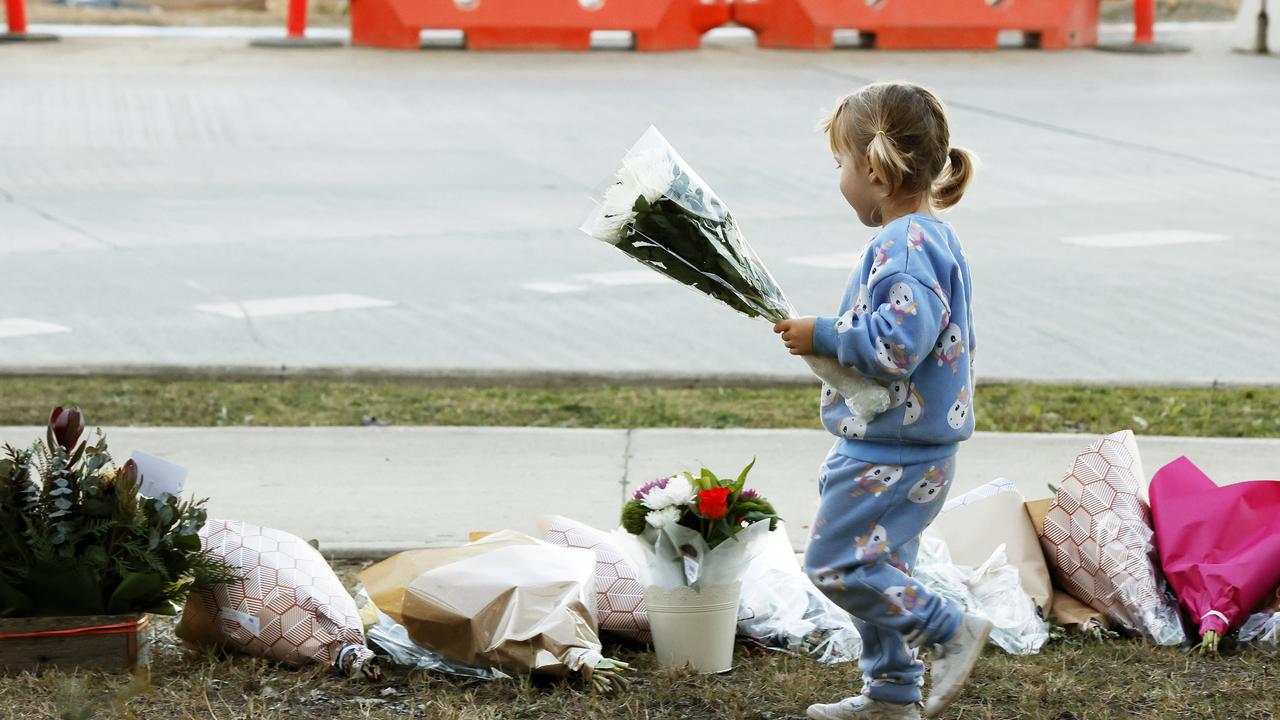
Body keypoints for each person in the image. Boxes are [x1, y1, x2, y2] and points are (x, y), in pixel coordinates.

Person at [772, 81, 991, 720]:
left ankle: (948, 629)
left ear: (873, 167)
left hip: (892, 447)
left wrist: (825, 333)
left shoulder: (901, 247)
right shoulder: (932, 237)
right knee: (882, 566)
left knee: (839, 564)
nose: (840, 177)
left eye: (841, 163)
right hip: (911, 444)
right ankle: (892, 697)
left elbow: (898, 346)